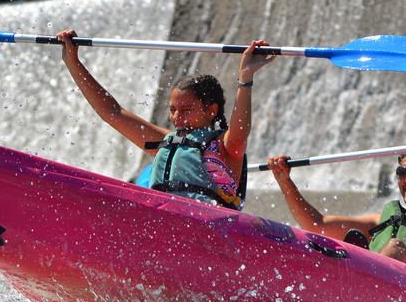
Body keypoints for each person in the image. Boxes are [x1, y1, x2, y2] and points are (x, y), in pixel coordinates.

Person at [56, 29, 275, 210]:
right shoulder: (166, 142)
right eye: (172, 110)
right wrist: (72, 62)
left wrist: (245, 78)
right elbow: (112, 113)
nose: (177, 117)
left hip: (206, 225)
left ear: (211, 111)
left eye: (186, 109)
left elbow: (241, 127)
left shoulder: (227, 147)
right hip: (162, 220)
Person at [266, 135, 406, 288]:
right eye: (402, 172)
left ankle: (355, 277)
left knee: (395, 248)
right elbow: (317, 224)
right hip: (385, 291)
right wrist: (285, 181)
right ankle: (353, 268)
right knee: (332, 247)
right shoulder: (380, 222)